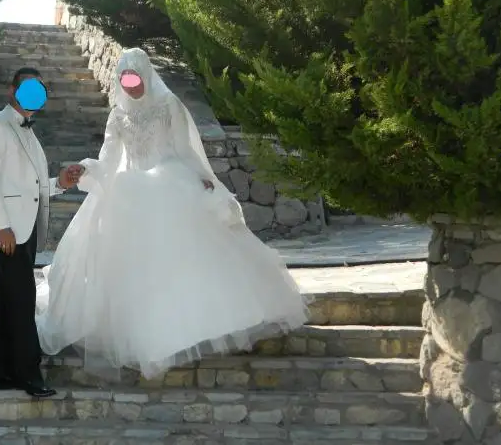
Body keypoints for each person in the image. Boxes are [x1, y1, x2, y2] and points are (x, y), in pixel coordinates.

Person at [35, 48, 309, 380]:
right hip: (131, 189)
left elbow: (184, 149)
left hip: (170, 181)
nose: (131, 85)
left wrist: (204, 179)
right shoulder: (117, 115)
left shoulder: (168, 105)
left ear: (146, 75)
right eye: (125, 79)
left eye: (135, 77)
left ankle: (199, 323)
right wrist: (88, 168)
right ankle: (142, 333)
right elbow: (108, 159)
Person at [0, 67, 82, 397]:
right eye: (28, 88)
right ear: (12, 91)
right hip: (8, 229)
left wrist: (61, 183)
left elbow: (29, 187)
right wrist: (0, 226)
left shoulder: (28, 132)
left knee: (5, 297)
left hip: (25, 225)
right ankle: (28, 374)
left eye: (39, 90)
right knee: (22, 297)